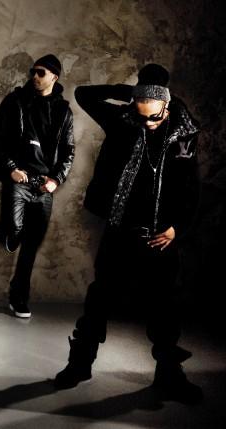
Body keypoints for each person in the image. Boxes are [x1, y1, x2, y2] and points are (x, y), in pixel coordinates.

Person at [54, 64, 203, 404]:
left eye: (155, 117)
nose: (148, 123)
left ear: (167, 105)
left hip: (161, 235)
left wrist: (177, 229)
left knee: (165, 308)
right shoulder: (123, 120)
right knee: (99, 299)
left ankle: (169, 375)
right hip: (121, 230)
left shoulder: (185, 132)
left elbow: (191, 187)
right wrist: (132, 93)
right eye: (142, 115)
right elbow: (84, 95)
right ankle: (80, 364)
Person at [0, 54, 74, 318]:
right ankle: (12, 234)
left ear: (54, 77)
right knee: (15, 229)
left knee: (31, 246)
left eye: (41, 72)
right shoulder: (16, 101)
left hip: (44, 185)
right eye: (33, 72)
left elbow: (69, 151)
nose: (34, 76)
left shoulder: (63, 111)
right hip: (20, 179)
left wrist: (56, 180)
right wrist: (11, 168)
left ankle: (19, 298)